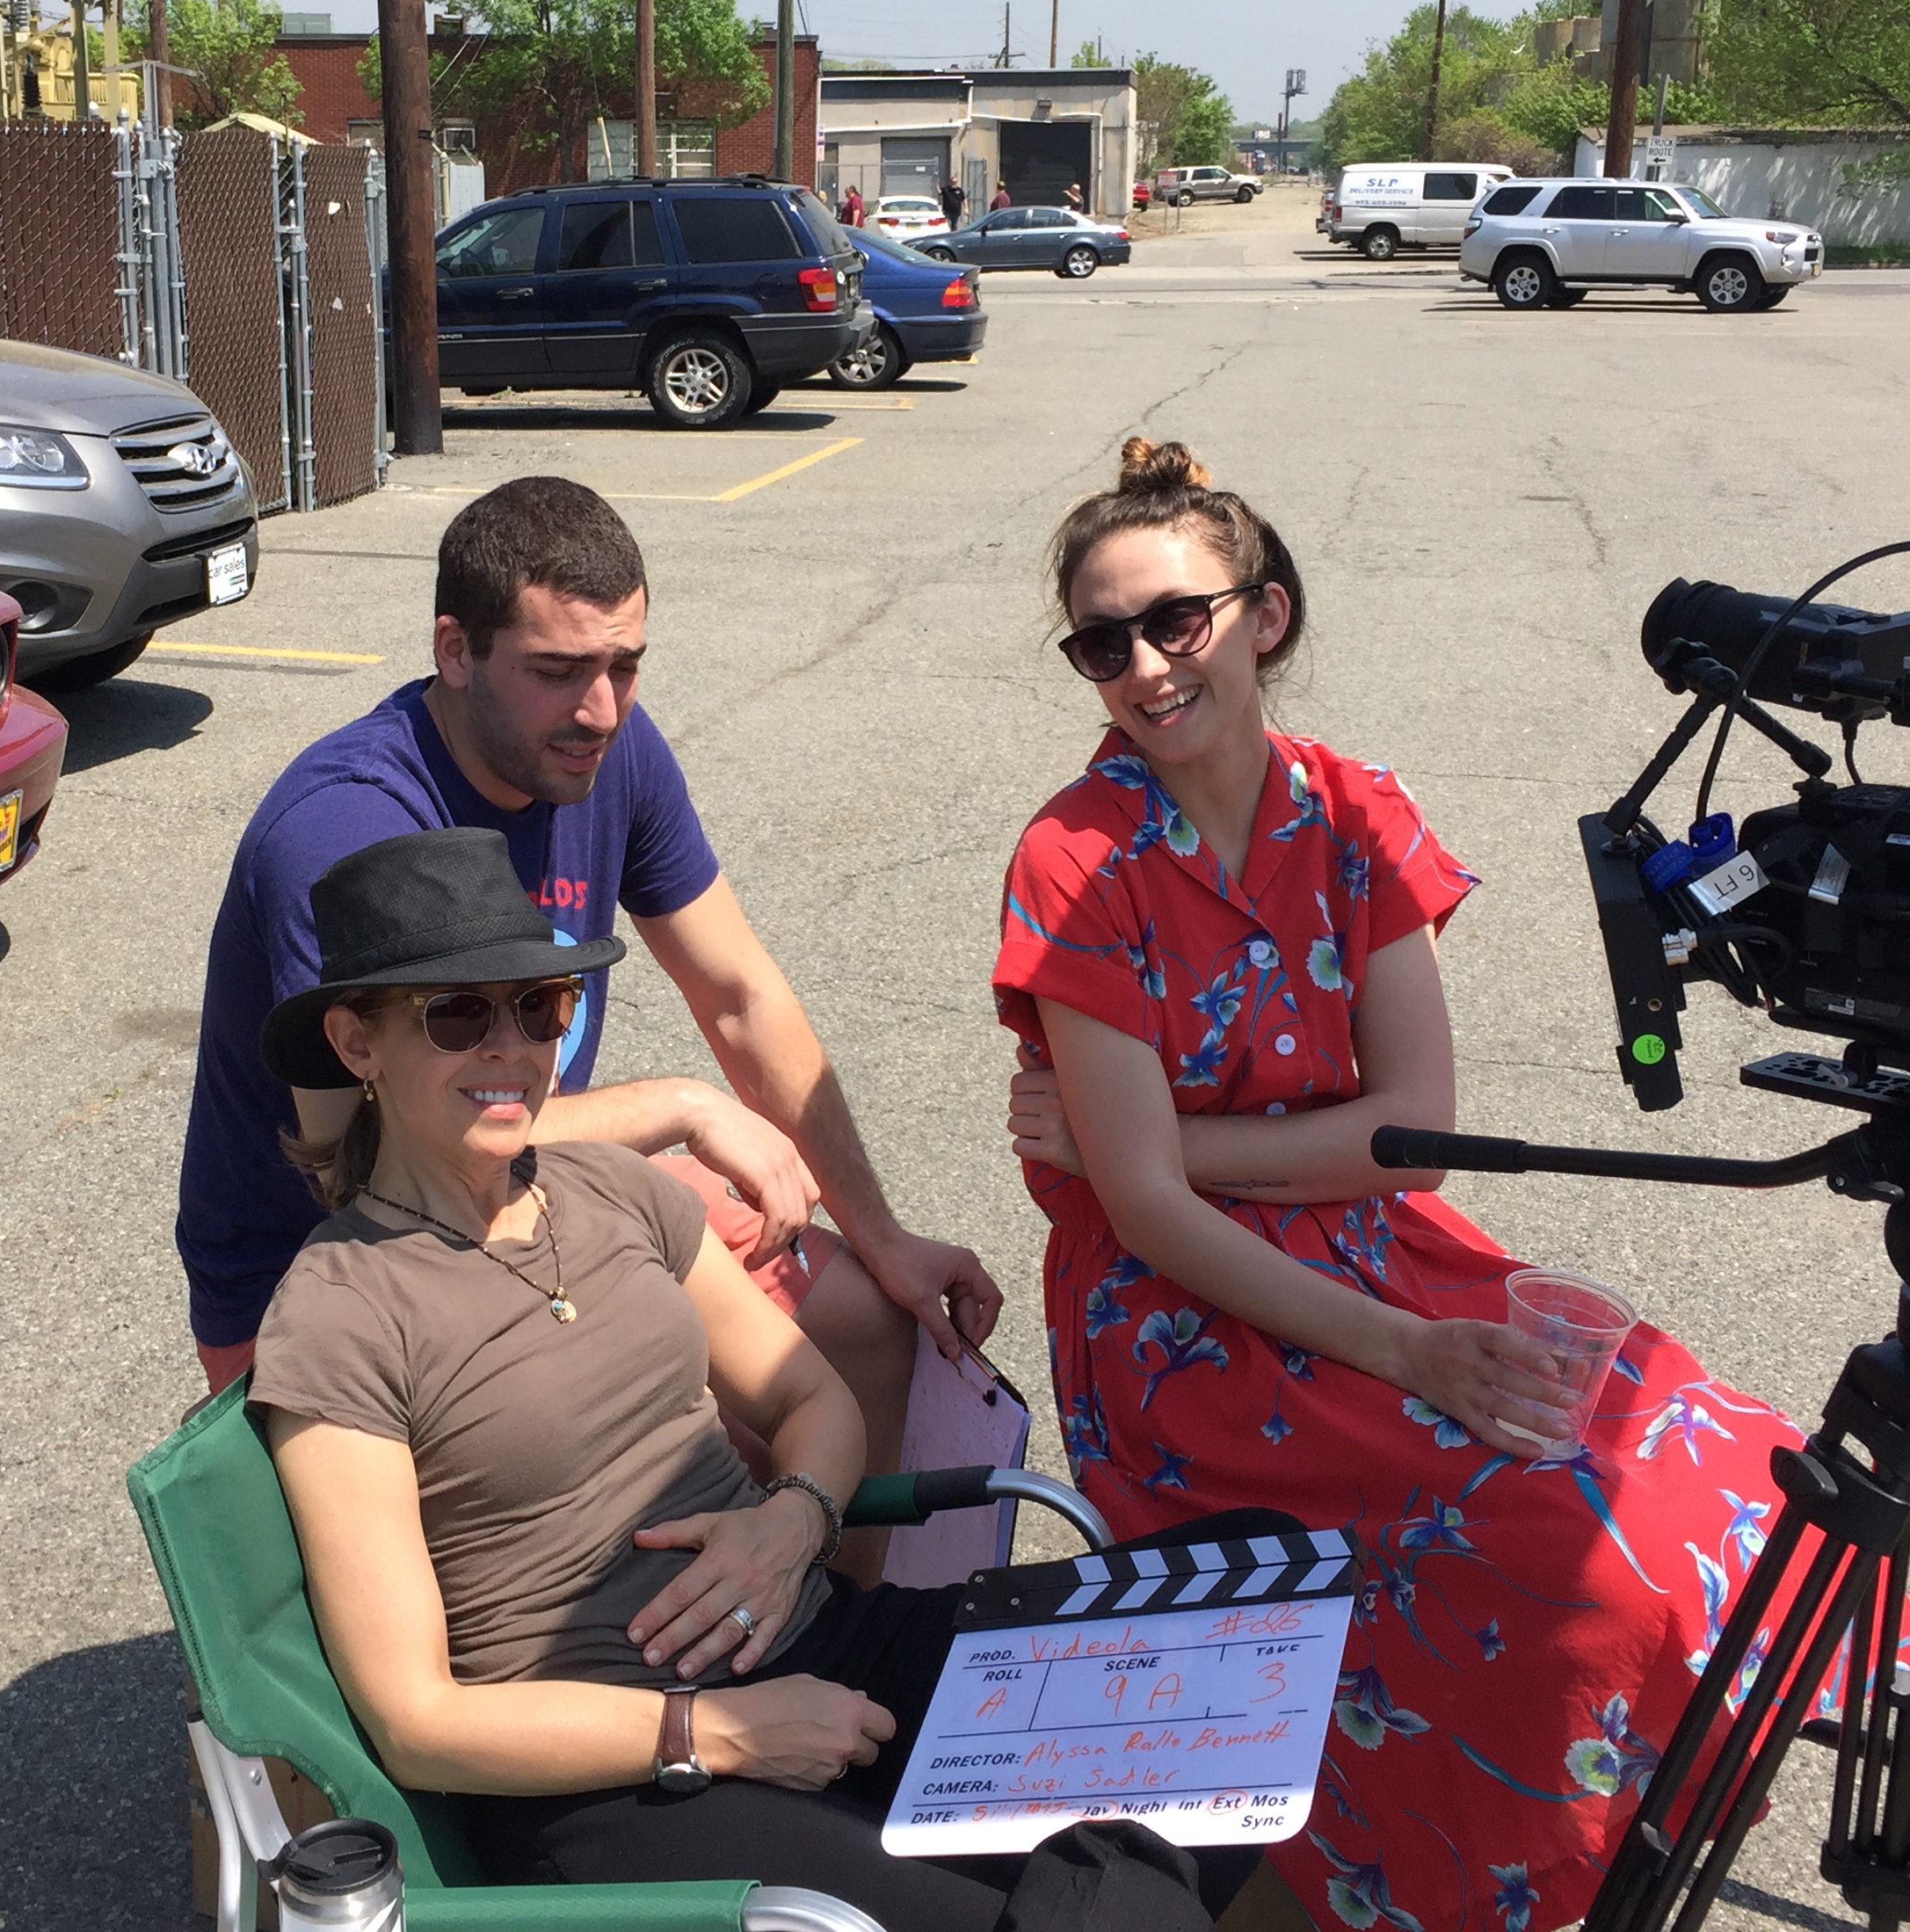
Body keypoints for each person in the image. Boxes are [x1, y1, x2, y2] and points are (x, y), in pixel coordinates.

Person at [991, 439, 1910, 1932]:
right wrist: (1368, 1314)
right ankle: (1455, 1880)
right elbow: (1151, 1217)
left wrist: (1147, 1142)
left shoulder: (1351, 810)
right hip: (1176, 1319)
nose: (1144, 668)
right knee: (1557, 1547)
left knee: (1718, 1463)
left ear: (1264, 615)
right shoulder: (1069, 857)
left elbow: (1412, 1131)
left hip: (1376, 1239)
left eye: (1176, 621)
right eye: (1101, 643)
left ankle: (1596, 1843)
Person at [251, 828, 1261, 1932]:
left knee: (1253, 1626)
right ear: (357, 1043)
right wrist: (717, 1731)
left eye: (538, 1008)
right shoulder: (340, 1314)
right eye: (458, 1016)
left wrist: (795, 1517)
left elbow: (808, 1400)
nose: (512, 1048)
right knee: (1125, 1886)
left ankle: (1102, 1865)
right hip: (616, 1776)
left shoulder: (610, 1193)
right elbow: (414, 1719)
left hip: (817, 1637)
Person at [180, 478, 1003, 1553]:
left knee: (862, 1329)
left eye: (625, 665)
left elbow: (739, 993)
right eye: (558, 671)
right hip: (342, 1261)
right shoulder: (349, 828)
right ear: (455, 649)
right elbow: (351, 1155)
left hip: (519, 1181)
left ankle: (831, 1640)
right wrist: (676, 1105)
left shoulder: (604, 751)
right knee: (612, 1478)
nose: (602, 709)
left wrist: (884, 1234)